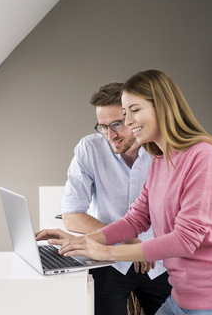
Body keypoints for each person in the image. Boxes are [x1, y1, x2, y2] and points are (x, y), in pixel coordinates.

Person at [37, 70, 212, 314]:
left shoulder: (204, 155)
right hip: (181, 300)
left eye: (134, 111)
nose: (128, 122)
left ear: (163, 107)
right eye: (125, 114)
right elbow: (135, 220)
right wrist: (82, 241)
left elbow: (186, 240)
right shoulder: (161, 159)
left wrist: (105, 251)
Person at [61, 82, 171, 315]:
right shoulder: (89, 148)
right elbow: (71, 216)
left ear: (134, 117)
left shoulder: (164, 151)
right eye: (103, 127)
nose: (111, 135)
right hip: (108, 262)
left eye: (117, 124)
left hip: (160, 262)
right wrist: (123, 238)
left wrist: (145, 247)